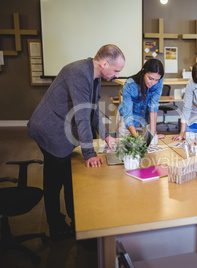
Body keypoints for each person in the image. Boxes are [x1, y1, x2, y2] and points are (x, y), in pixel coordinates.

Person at [28, 44, 124, 241]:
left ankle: (68, 223)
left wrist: (106, 136)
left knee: (61, 178)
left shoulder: (94, 75)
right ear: (104, 63)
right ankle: (62, 227)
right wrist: (89, 154)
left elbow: (93, 110)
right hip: (49, 128)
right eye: (116, 70)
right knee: (60, 180)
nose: (116, 76)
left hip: (60, 126)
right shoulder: (78, 73)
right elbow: (82, 116)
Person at [117, 59, 165, 139]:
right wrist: (136, 137)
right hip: (127, 120)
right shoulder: (130, 85)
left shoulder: (159, 82)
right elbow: (127, 114)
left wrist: (153, 134)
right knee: (125, 147)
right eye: (150, 78)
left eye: (156, 80)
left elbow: (153, 107)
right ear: (143, 72)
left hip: (143, 120)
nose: (153, 83)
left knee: (144, 148)